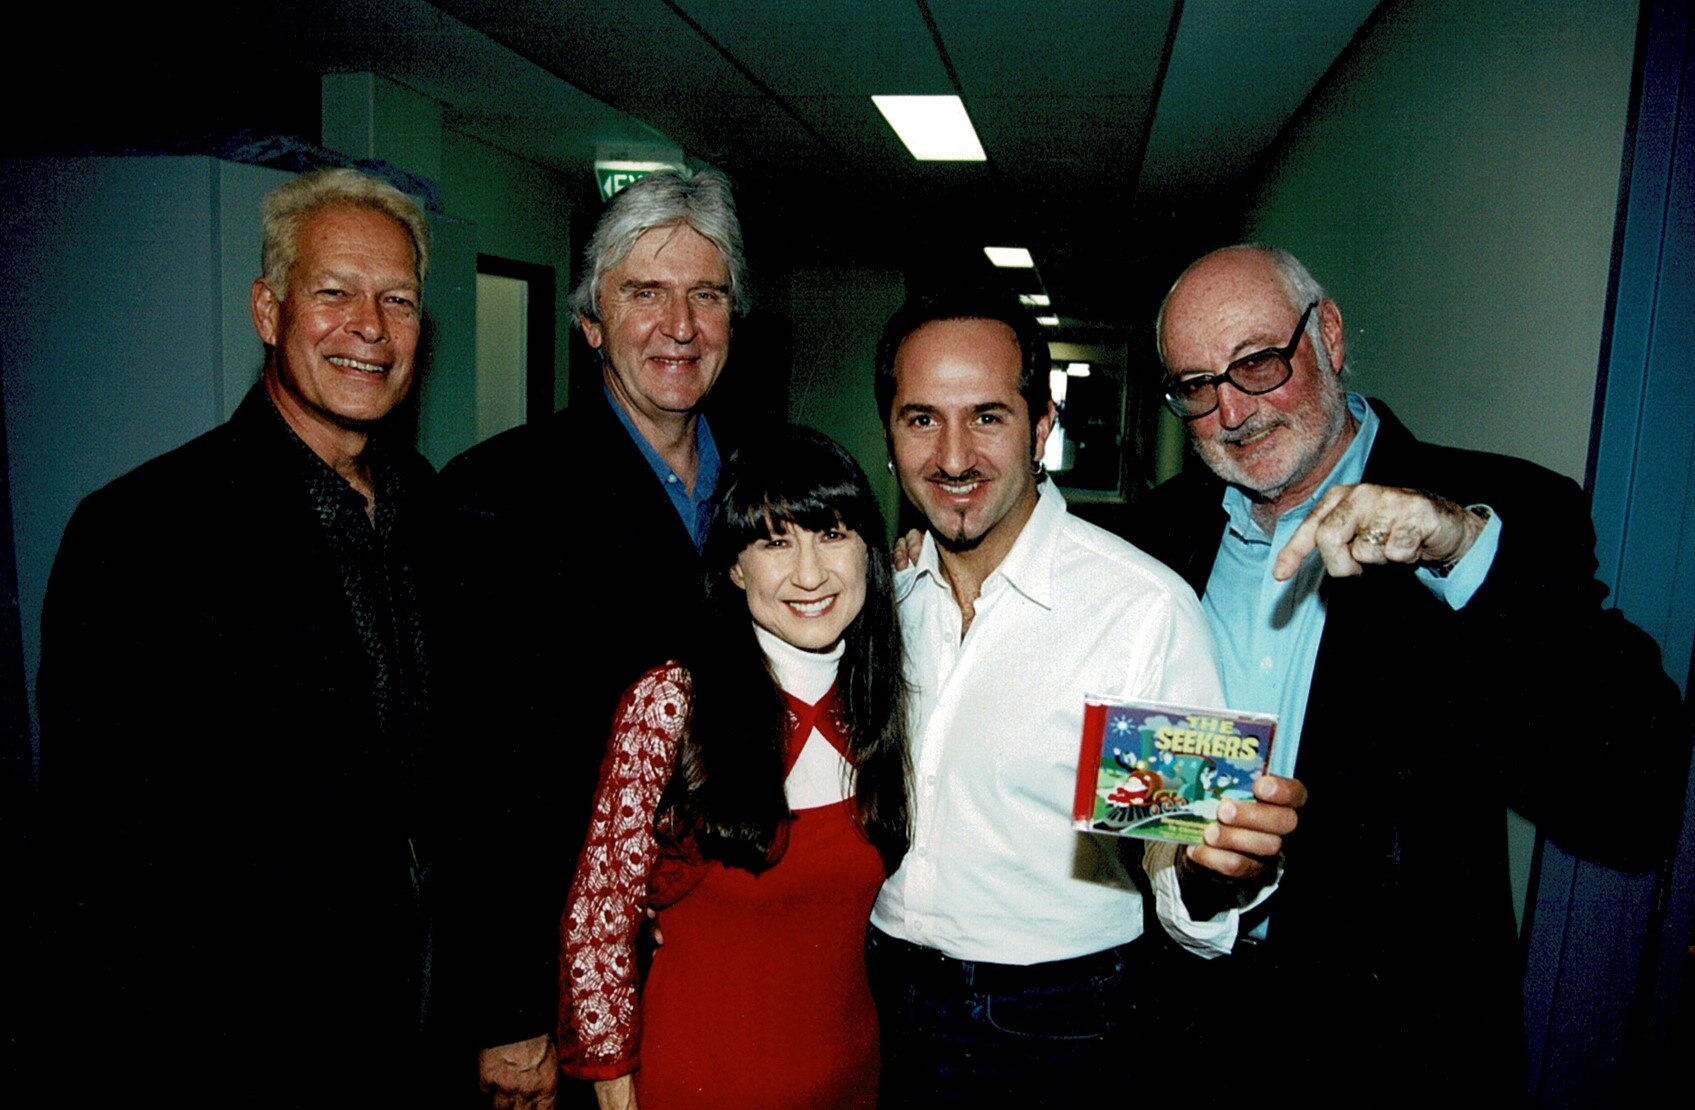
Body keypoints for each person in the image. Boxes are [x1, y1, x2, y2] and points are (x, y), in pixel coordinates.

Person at [1130, 244, 1687, 1101]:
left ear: (1329, 335)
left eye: (1256, 362)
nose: (1233, 409)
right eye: (1197, 387)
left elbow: (1627, 795)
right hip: (1185, 1025)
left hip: (1394, 1050)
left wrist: (1460, 555)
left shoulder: (1493, 514)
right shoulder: (1156, 540)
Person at [34, 167, 437, 1102]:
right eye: (333, 292)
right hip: (235, 1045)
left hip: (417, 1036)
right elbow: (97, 853)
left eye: (397, 299)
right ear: (268, 309)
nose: (369, 327)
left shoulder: (429, 506)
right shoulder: (140, 535)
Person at [866, 289, 1305, 1106]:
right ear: (889, 438)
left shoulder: (1137, 608)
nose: (953, 456)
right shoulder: (878, 604)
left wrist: (1216, 868)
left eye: (988, 417)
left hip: (1057, 1016)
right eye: (921, 419)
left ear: (1040, 430)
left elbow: (1176, 858)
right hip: (885, 982)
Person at [434, 169, 744, 1107]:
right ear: (590, 322)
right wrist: (508, 1008)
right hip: (572, 985)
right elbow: (472, 776)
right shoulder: (499, 495)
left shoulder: (772, 489)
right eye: (643, 293)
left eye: (706, 293)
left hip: (734, 952)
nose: (679, 324)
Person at [556, 426, 909, 1108]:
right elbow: (598, 915)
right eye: (775, 542)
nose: (809, 574)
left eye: (832, 535)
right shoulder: (672, 703)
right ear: (734, 566)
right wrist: (612, 1084)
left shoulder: (884, 699)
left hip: (849, 1077)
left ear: (870, 549)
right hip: (699, 1079)